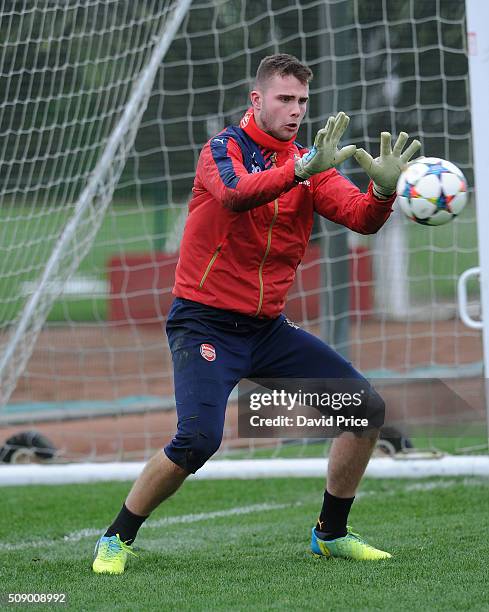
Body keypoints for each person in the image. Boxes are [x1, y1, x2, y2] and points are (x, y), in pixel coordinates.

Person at [93, 53, 420, 574]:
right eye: (284, 99)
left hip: (266, 330)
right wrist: (299, 170)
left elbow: (361, 219)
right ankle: (116, 537)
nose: (295, 111)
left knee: (366, 412)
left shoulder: (310, 162)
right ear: (257, 100)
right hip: (204, 323)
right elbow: (236, 193)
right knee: (199, 439)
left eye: (302, 102)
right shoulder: (223, 149)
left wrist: (382, 191)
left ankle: (331, 534)